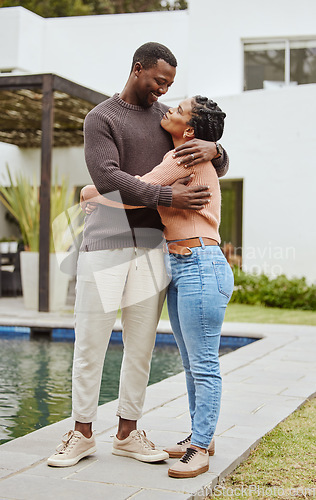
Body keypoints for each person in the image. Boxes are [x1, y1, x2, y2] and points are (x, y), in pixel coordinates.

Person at [47, 42, 229, 468]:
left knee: (142, 346)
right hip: (105, 241)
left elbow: (204, 155)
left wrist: (217, 150)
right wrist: (166, 195)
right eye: (158, 81)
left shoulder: (166, 120)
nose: (162, 91)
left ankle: (128, 432)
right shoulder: (101, 118)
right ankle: (82, 432)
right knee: (91, 343)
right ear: (137, 70)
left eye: (169, 85)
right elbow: (107, 175)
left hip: (153, 245)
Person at [80, 95, 234, 478]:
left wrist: (92, 194)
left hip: (200, 264)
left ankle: (199, 447)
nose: (169, 108)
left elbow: (138, 190)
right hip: (183, 264)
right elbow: (148, 190)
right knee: (191, 362)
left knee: (203, 365)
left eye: (179, 109)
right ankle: (202, 437)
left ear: (190, 131)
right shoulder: (188, 152)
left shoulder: (182, 156)